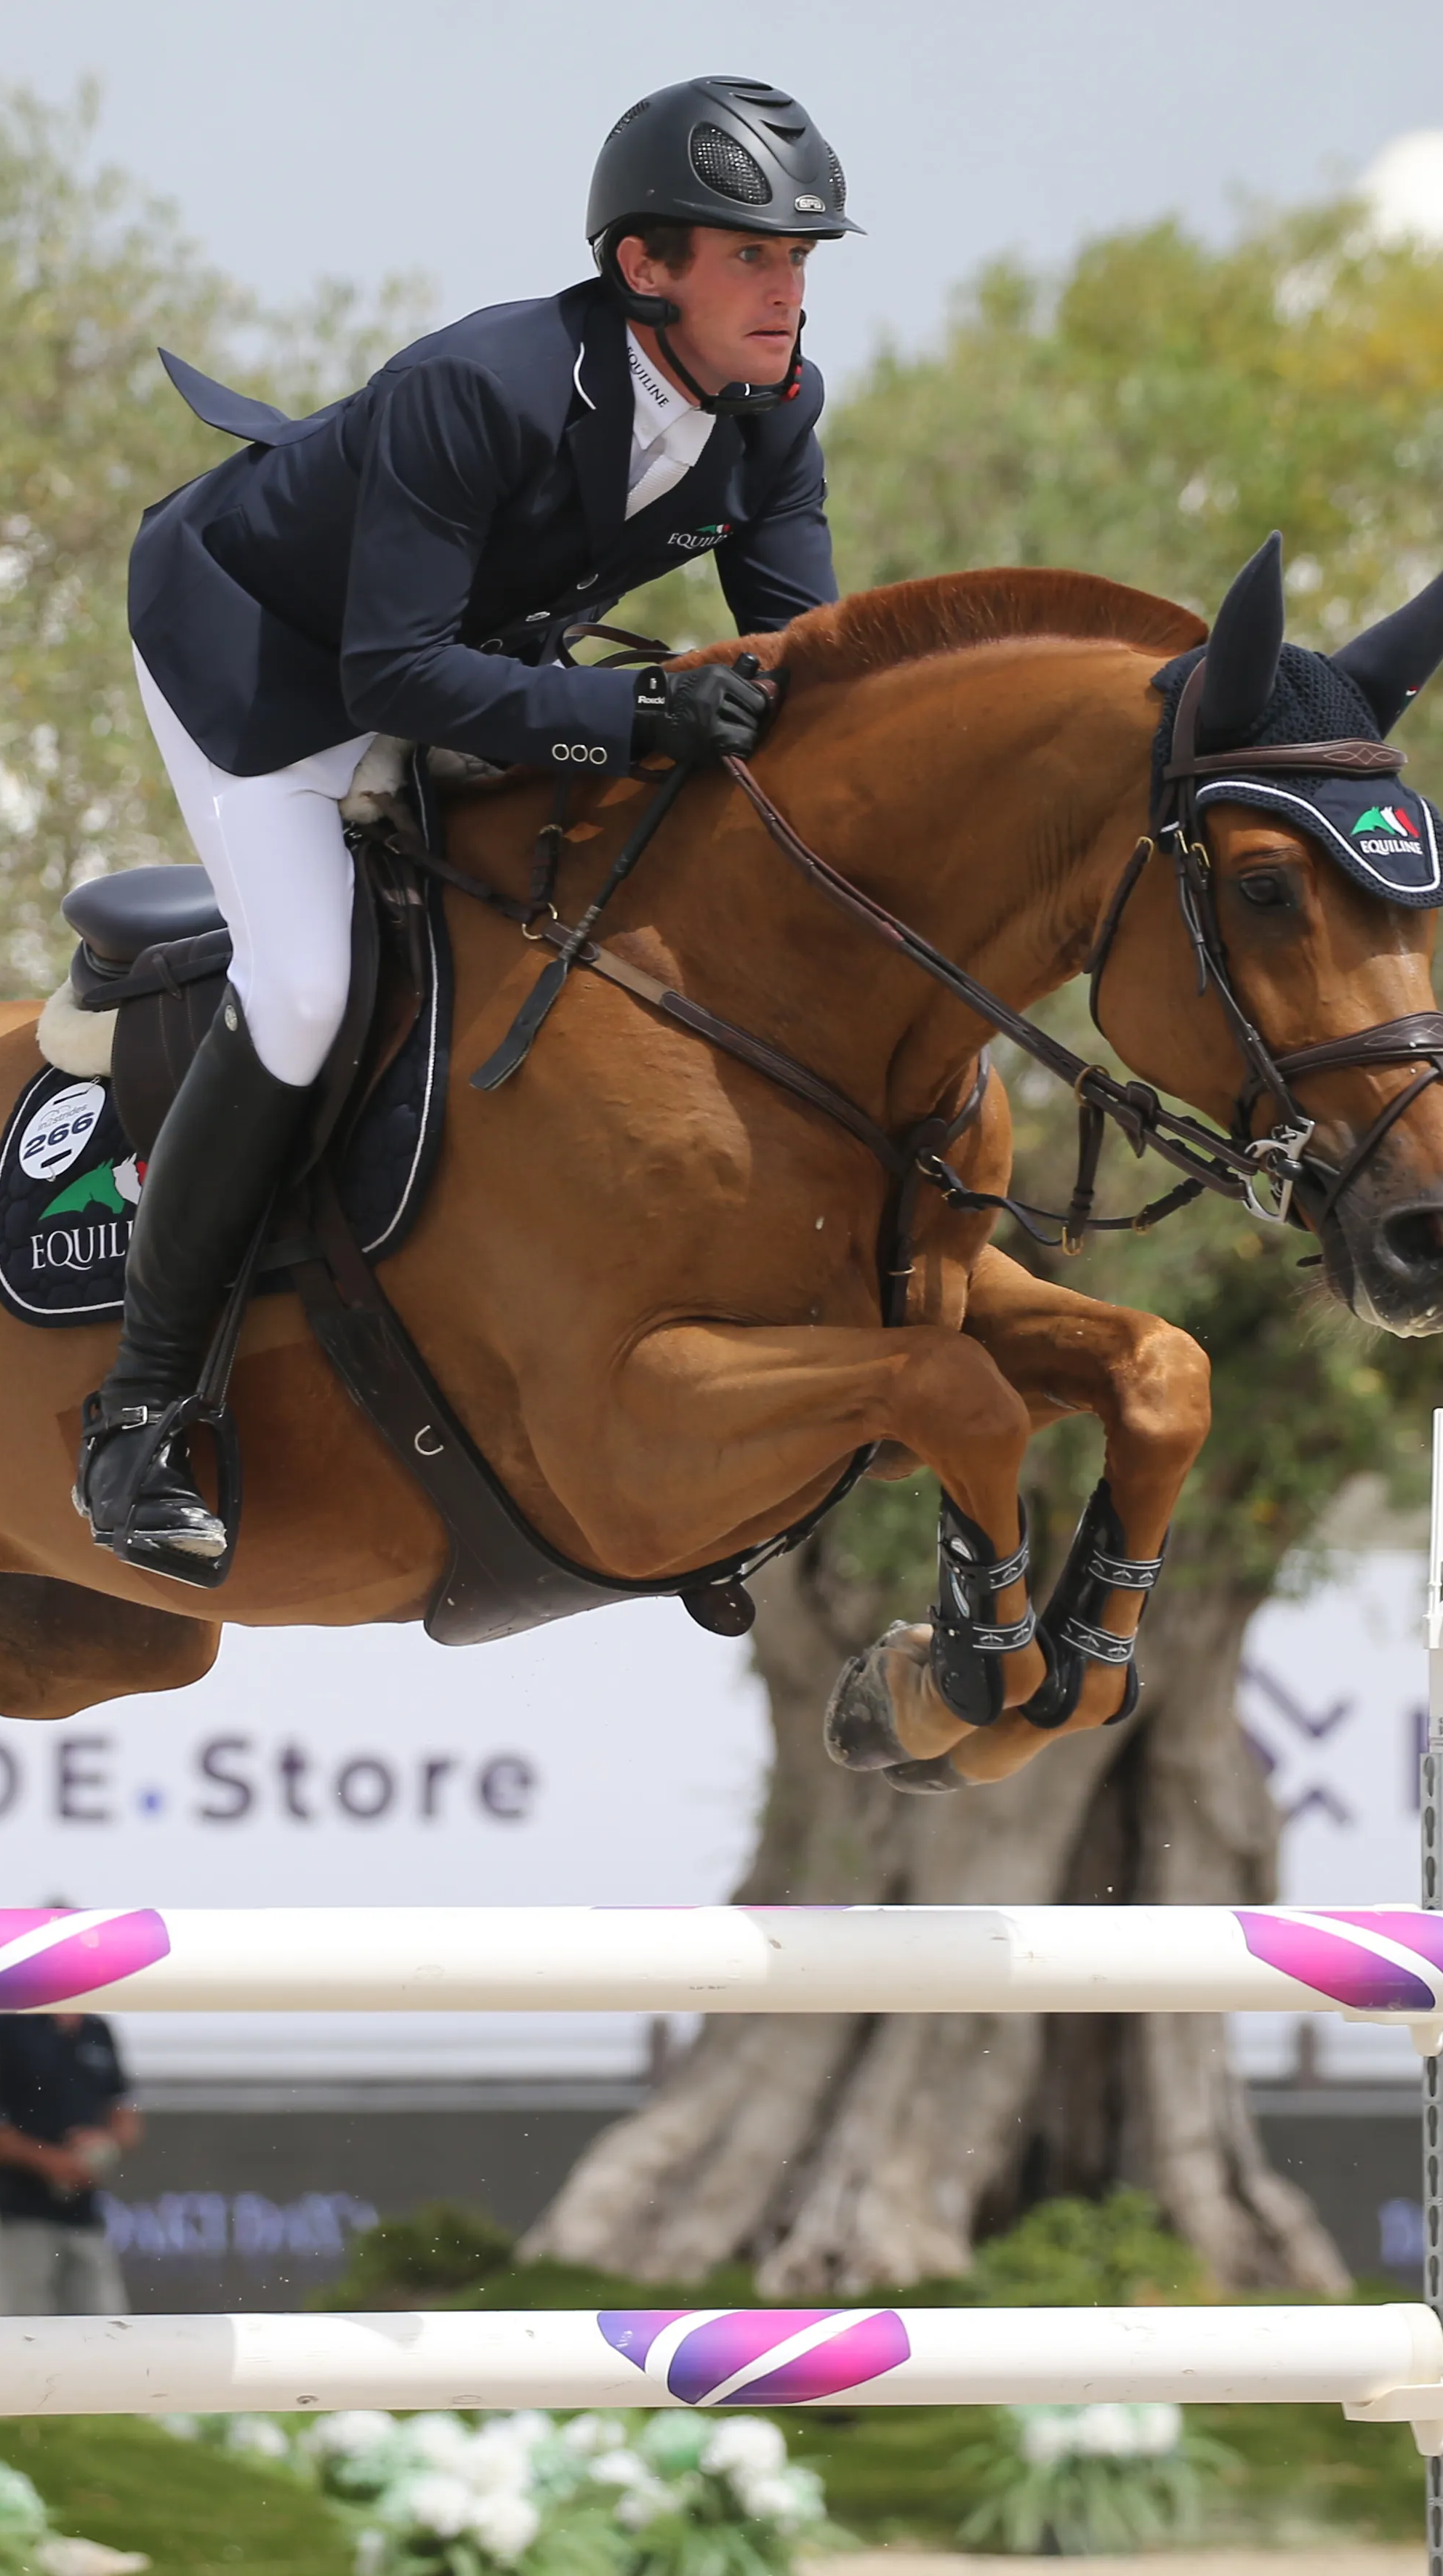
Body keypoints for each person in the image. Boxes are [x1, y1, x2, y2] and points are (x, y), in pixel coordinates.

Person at [81, 75, 860, 1582]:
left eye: (802, 259)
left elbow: (800, 657)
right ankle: (137, 1410)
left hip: (459, 658)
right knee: (306, 984)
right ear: (643, 268)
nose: (788, 293)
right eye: (752, 258)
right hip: (258, 656)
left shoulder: (773, 411)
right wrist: (637, 722)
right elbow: (384, 675)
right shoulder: (481, 385)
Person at [0, 2006, 140, 2316]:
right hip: (17, 2216)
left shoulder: (97, 2030)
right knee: (23, 2331)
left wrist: (103, 2144)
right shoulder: (2, 2026)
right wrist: (52, 2161)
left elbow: (126, 2118)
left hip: (86, 2217)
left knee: (108, 2331)